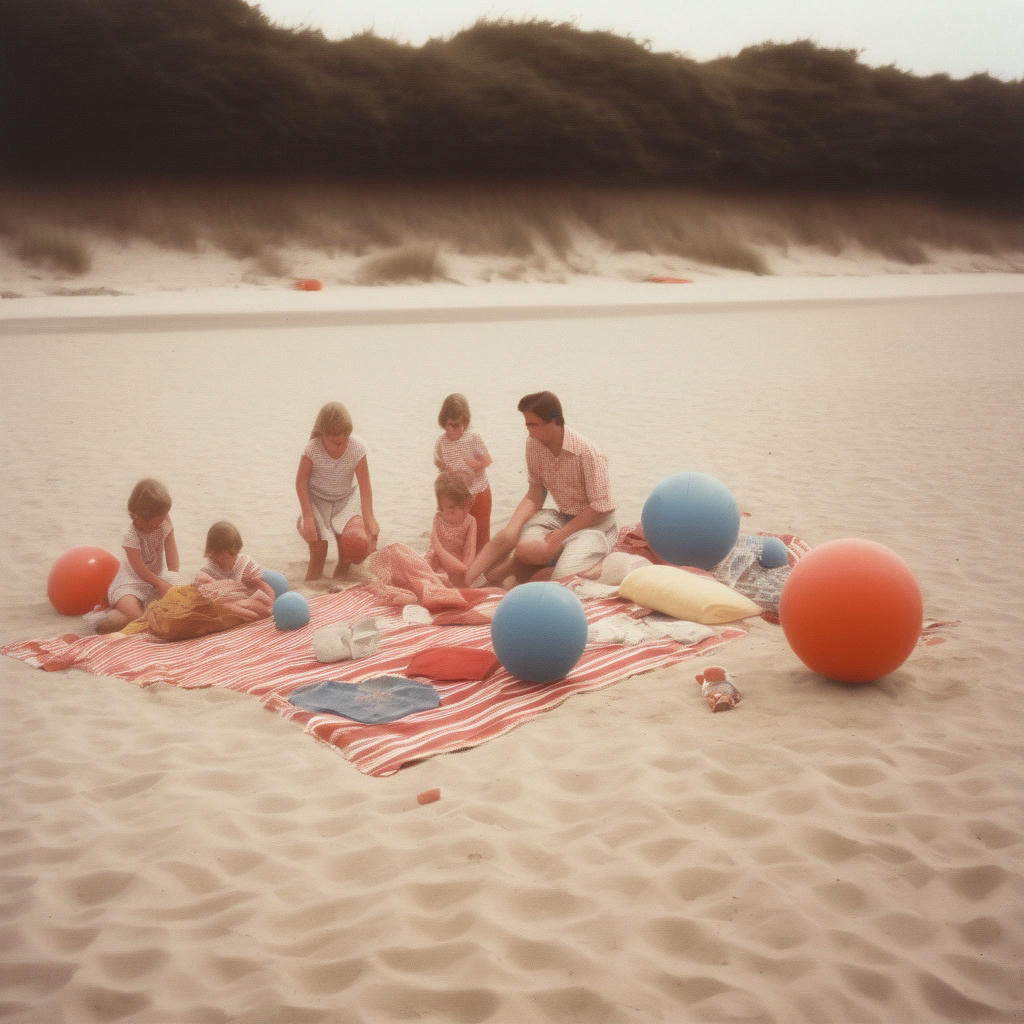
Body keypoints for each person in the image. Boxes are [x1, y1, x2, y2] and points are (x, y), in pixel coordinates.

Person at [465, 391, 617, 586]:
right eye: (527, 425)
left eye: (533, 425)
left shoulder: (586, 452)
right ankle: (494, 574)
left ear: (554, 422)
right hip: (562, 518)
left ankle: (527, 571)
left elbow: (601, 508)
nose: (529, 431)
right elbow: (536, 492)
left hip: (596, 525)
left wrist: (562, 535)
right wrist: (512, 528)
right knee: (523, 547)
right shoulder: (534, 445)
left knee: (563, 579)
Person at [296, 401, 380, 580]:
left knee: (351, 549)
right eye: (335, 442)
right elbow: (300, 482)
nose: (341, 446)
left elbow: (365, 487)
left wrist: (369, 518)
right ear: (323, 434)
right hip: (317, 501)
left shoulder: (357, 448)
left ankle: (340, 581)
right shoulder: (313, 449)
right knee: (319, 551)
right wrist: (308, 518)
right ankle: (312, 587)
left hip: (344, 501)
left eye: (345, 440)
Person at [96, 478, 180, 633]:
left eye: (162, 519)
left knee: (175, 603)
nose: (159, 525)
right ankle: (125, 618)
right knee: (133, 609)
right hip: (131, 583)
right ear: (137, 517)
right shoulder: (130, 536)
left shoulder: (164, 520)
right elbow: (139, 568)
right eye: (155, 523)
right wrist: (160, 584)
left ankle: (126, 618)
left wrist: (172, 579)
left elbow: (171, 551)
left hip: (154, 581)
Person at [433, 393, 493, 547]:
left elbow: (488, 460)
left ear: (465, 423)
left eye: (459, 425)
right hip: (458, 497)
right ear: (444, 422)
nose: (455, 430)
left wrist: (475, 464)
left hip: (479, 492)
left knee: (481, 537)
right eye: (451, 425)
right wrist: (444, 468)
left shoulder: (473, 438)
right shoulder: (441, 442)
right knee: (459, 539)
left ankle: (482, 569)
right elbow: (439, 463)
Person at [193, 521, 275, 620]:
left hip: (244, 601)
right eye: (229, 555)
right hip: (226, 607)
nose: (234, 558)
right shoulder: (207, 574)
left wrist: (272, 603)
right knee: (236, 610)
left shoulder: (241, 563)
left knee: (258, 606)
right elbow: (209, 601)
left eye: (235, 554)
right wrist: (237, 607)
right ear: (213, 553)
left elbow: (260, 584)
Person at [425, 473, 478, 587]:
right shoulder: (438, 518)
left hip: (457, 564)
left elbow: (469, 556)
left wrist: (463, 569)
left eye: (462, 507)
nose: (458, 513)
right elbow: (433, 551)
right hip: (438, 561)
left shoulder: (470, 521)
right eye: (451, 509)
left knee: (465, 580)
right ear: (441, 505)